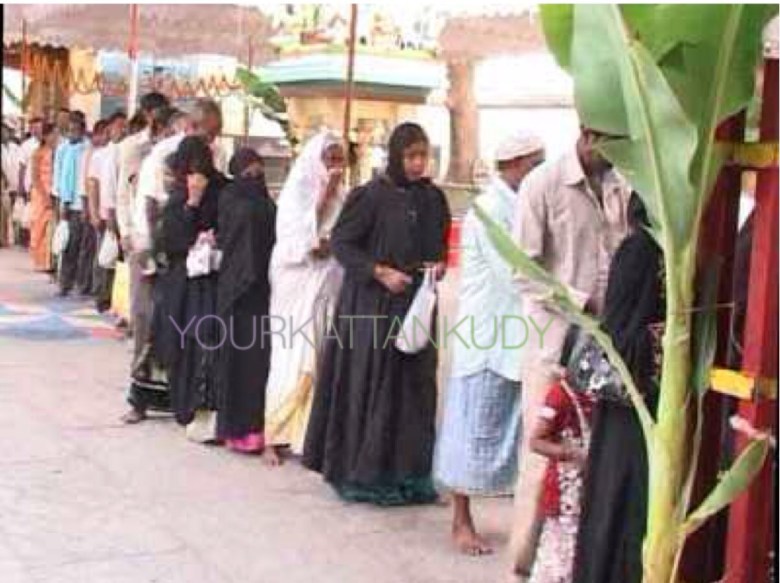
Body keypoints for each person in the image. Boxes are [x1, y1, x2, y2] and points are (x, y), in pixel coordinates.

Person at [303, 122, 451, 506]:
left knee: (414, 388)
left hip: (416, 305)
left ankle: (410, 475)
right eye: (411, 156)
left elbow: (439, 245)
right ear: (396, 156)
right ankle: (365, 474)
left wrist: (436, 268)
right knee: (373, 384)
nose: (418, 164)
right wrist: (380, 272)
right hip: (373, 307)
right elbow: (343, 243)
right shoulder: (370, 197)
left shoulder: (433, 198)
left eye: (423, 155)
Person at [509, 127, 631, 578]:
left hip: (605, 346)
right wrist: (582, 301)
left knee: (589, 460)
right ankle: (521, 566)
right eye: (612, 140)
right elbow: (522, 270)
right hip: (555, 341)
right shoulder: (542, 184)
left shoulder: (619, 183)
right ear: (588, 133)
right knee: (541, 457)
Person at [433, 131, 545, 555]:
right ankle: (460, 521)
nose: (538, 173)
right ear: (513, 166)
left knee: (509, 434)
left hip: (516, 337)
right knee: (472, 429)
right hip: (488, 338)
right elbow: (517, 274)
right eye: (534, 165)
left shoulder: (521, 205)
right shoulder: (489, 211)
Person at [572, 193, 664, 583]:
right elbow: (619, 336)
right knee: (623, 502)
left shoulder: (668, 250)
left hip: (655, 405)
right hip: (632, 408)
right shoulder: (640, 251)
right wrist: (663, 341)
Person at [263, 131, 346, 465]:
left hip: (328, 282)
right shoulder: (296, 191)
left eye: (340, 159)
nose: (335, 167)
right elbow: (289, 241)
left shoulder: (345, 195)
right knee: (290, 356)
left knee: (321, 356)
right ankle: (274, 435)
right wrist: (323, 196)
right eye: (330, 159)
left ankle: (308, 437)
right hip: (296, 283)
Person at [156, 136, 228, 439]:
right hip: (184, 288)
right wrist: (191, 204)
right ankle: (184, 405)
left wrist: (214, 236)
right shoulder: (177, 197)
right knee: (184, 344)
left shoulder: (224, 190)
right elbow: (171, 242)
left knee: (209, 342)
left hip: (212, 283)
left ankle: (208, 411)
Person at [216, 149, 276, 453]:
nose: (255, 181)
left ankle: (255, 428)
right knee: (234, 362)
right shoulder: (229, 199)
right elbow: (226, 237)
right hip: (235, 292)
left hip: (261, 293)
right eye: (248, 175)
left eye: (259, 174)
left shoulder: (267, 203)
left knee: (257, 364)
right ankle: (232, 428)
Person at [528, 368, 594, 583]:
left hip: (588, 495)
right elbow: (536, 441)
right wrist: (570, 453)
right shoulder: (560, 394)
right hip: (565, 495)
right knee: (558, 560)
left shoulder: (602, 395)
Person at [52, 111, 90, 297]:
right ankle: (65, 282)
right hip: (69, 203)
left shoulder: (87, 148)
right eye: (70, 130)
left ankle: (81, 283)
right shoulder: (63, 148)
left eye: (76, 130)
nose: (72, 133)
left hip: (85, 204)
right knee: (69, 245)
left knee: (85, 246)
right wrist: (61, 202)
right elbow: (59, 176)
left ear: (83, 130)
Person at [29, 123, 58, 273]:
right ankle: (40, 261)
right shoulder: (37, 153)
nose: (55, 137)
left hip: (54, 191)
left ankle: (50, 261)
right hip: (40, 193)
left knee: (51, 228)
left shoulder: (58, 151)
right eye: (53, 134)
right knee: (40, 227)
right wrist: (44, 196)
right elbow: (35, 177)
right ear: (46, 136)